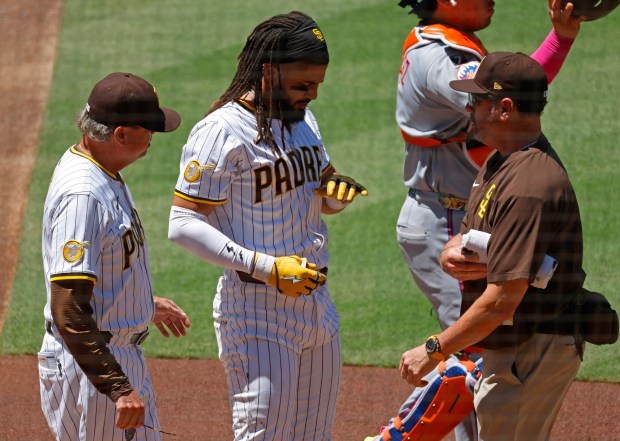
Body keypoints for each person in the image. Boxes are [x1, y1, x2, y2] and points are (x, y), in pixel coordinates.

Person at [167, 11, 367, 441]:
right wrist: (268, 267)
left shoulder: (303, 122)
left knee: (314, 436)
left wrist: (335, 192)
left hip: (318, 305)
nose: (311, 95)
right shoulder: (221, 132)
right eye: (302, 85)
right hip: (257, 311)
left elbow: (322, 195)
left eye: (316, 85)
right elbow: (182, 222)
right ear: (269, 70)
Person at [391, 1, 583, 439]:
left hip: (458, 210)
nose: (474, 109)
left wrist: (561, 37)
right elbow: (509, 97)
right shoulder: (440, 56)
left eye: (481, 99)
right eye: (474, 99)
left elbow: (514, 91)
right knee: (472, 352)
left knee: (471, 350)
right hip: (446, 209)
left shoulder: (520, 174)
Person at [38, 72, 191, 441]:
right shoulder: (84, 194)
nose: (154, 136)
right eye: (149, 128)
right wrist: (118, 388)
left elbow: (101, 264)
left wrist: (139, 303)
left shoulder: (102, 169)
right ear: (120, 134)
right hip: (96, 368)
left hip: (108, 357)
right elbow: (69, 309)